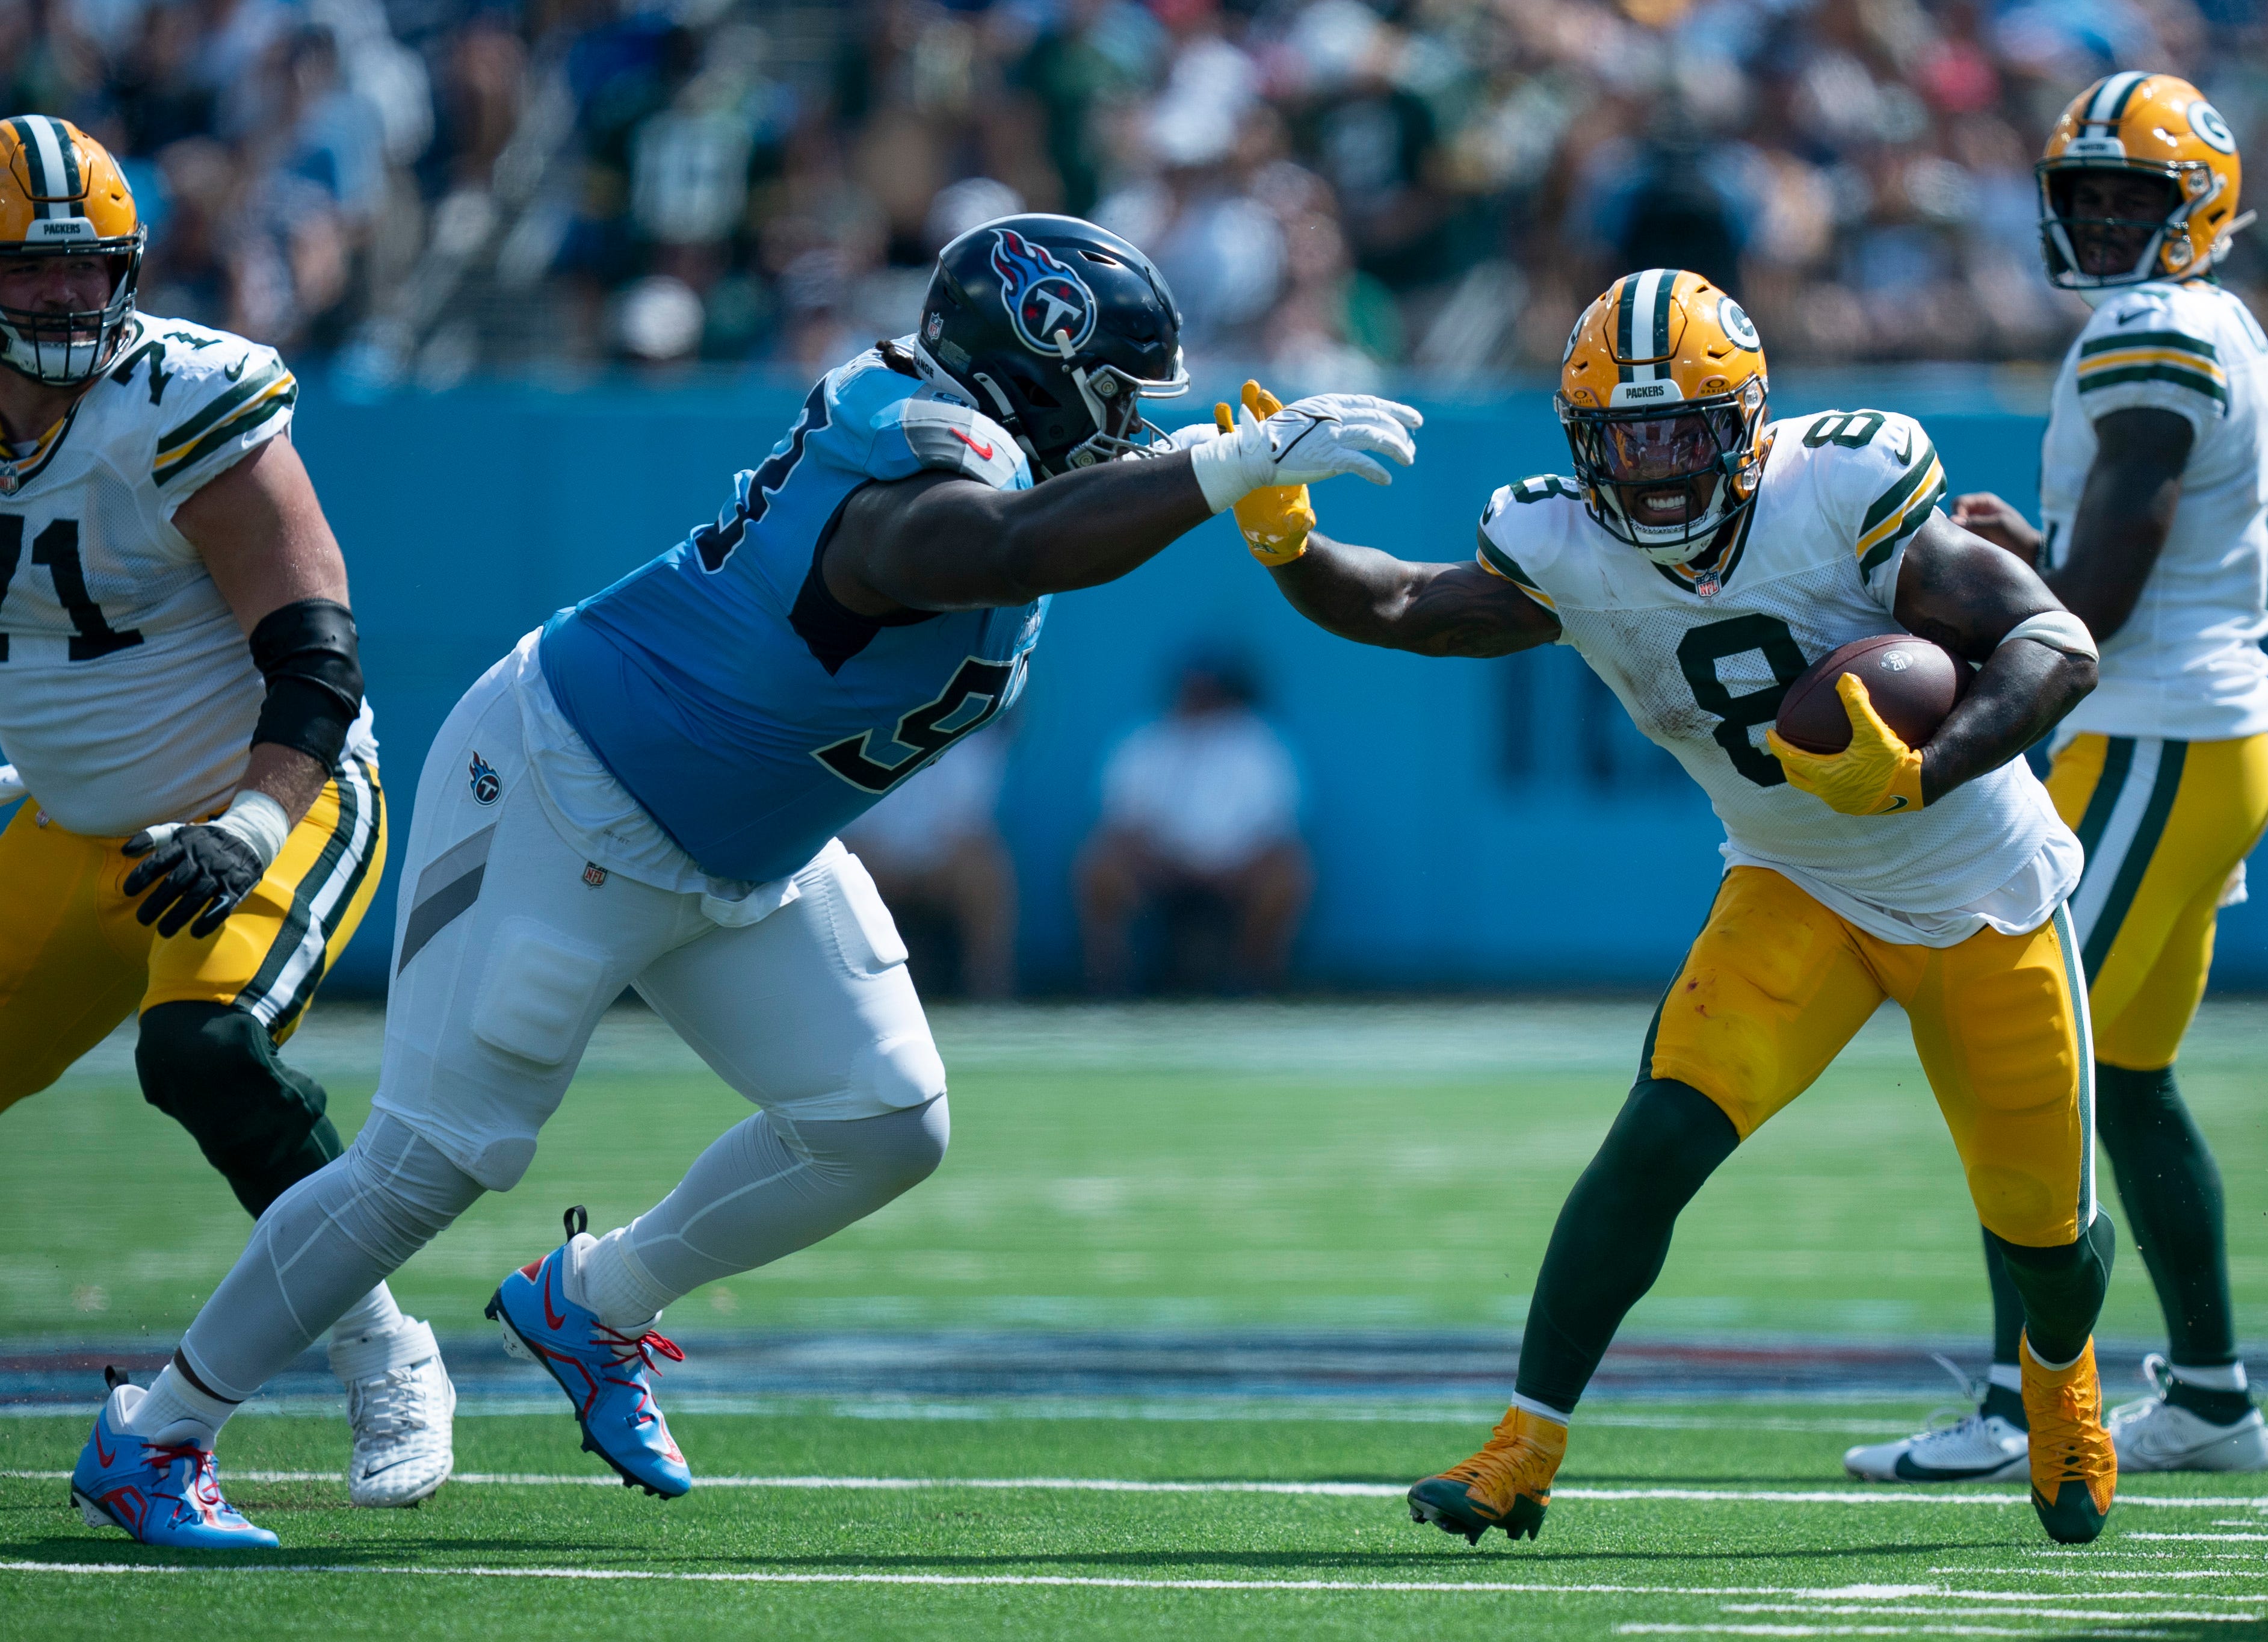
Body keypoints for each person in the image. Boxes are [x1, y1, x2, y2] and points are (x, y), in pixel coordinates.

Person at [67, 212, 1421, 1547]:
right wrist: (1216, 466)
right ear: (1034, 366)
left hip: (742, 841)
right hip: (572, 785)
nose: (1129, 425)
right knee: (434, 1155)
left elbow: (1043, 527)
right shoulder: (914, 447)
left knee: (882, 1116)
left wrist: (1201, 468)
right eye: (1115, 397)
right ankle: (158, 1433)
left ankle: (592, 1302)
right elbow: (993, 549)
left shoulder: (995, 448)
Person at [1247, 267, 2118, 1546]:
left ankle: (2060, 1377)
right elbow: (1397, 606)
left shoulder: (1841, 491)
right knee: (1652, 1144)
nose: (1653, 471)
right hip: (1793, 881)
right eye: (1624, 439)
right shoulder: (1560, 544)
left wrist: (1926, 768)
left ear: (1748, 424)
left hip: (1977, 884)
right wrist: (1283, 536)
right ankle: (1520, 1447)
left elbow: (2057, 643)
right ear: (1579, 443)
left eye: (1679, 434)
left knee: (2044, 1230)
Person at [0, 116, 451, 1535]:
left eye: (96, 272)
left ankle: (381, 1345)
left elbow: (315, 649)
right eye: (35, 271)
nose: (75, 301)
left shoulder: (181, 395)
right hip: (70, 822)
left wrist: (255, 824)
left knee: (201, 1047)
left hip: (262, 790)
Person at [1850, 73, 2268, 1484]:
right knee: (2129, 1076)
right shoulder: (2202, 319)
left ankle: (2011, 1398)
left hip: (2160, 729)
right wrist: (2021, 545)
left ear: (2197, 204)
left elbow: (2099, 594)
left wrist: (1990, 595)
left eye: (2132, 197)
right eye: (2084, 197)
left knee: (2015, 1054)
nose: (2103, 222)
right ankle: (2212, 1395)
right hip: (2207, 731)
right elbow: (2106, 553)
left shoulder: (2152, 331)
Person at [1077, 657, 1309, 993]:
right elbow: (1120, 824)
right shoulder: (1145, 741)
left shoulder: (1260, 743)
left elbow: (1278, 830)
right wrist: (1164, 864)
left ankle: (1254, 986)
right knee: (1099, 866)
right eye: (1192, 690)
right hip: (1158, 867)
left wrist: (1229, 869)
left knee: (1289, 872)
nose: (1198, 699)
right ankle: (1108, 987)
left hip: (1238, 870)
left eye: (1209, 691)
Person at [842, 723, 1019, 999]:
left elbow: (964, 828)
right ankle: (848, 999)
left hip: (939, 865)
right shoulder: (854, 738)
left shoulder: (969, 742)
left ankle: (990, 997)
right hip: (871, 859)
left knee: (982, 868)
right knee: (840, 866)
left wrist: (918, 868)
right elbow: (851, 830)